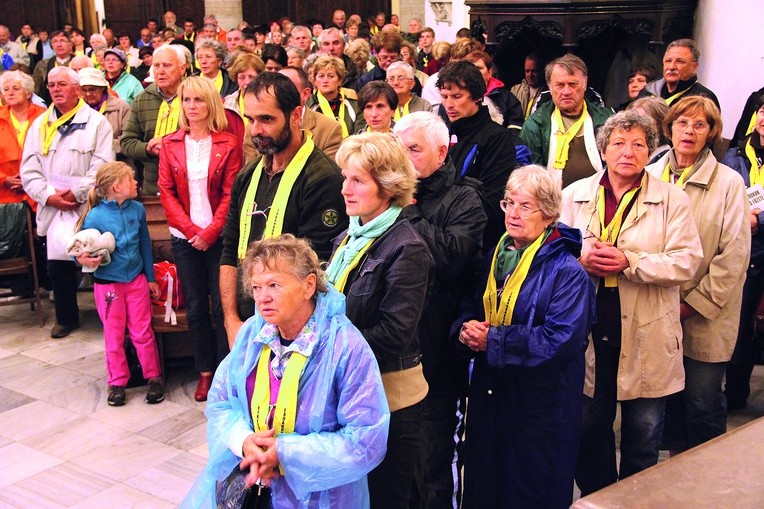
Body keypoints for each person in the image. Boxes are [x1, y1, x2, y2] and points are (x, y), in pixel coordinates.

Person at [183, 235, 389, 508]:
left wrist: (284, 453)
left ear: (309, 285)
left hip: (320, 499)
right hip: (255, 491)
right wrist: (244, 441)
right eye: (256, 287)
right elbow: (221, 402)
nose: (262, 298)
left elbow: (366, 440)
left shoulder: (345, 346)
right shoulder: (252, 335)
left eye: (274, 285)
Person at [559, 111, 703, 495]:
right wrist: (580, 259)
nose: (628, 152)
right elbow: (550, 253)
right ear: (604, 150)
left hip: (647, 333)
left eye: (639, 144)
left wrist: (631, 262)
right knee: (588, 430)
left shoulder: (673, 199)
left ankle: (637, 502)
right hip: (589, 333)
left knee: (643, 435)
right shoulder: (574, 195)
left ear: (650, 152)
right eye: (619, 144)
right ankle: (602, 499)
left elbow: (688, 260)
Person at [456, 165, 595, 508]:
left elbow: (559, 340)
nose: (513, 214)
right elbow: (473, 303)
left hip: (541, 406)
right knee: (487, 485)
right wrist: (465, 328)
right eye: (508, 203)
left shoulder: (568, 272)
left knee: (530, 490)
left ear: (549, 215)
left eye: (525, 206)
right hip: (493, 394)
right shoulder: (497, 255)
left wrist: (494, 341)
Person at [326, 132, 432, 509]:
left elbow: (394, 335)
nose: (345, 189)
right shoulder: (347, 239)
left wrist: (324, 346)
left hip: (392, 398)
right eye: (345, 177)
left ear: (387, 187)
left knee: (390, 498)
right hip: (354, 389)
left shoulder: (407, 246)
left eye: (357, 180)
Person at [646, 96, 750, 451]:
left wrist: (692, 305)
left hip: (707, 313)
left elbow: (734, 256)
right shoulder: (650, 174)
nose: (689, 131)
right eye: (682, 123)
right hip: (657, 308)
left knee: (702, 403)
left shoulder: (729, 183)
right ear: (669, 128)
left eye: (699, 125)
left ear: (712, 133)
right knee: (662, 403)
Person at [393, 112, 486, 508]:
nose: (402, 158)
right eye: (398, 148)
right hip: (393, 344)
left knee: (431, 461)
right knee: (394, 461)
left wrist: (409, 210)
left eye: (413, 149)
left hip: (436, 347)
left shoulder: (466, 198)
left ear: (442, 150)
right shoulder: (387, 195)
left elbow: (449, 260)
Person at [219, 72, 347, 344]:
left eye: (266, 119)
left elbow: (317, 271)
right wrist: (231, 320)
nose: (256, 130)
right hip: (246, 322)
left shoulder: (322, 178)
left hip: (294, 328)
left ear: (295, 115)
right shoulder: (248, 175)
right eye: (250, 119)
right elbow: (231, 250)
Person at [157, 76, 241, 402]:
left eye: (198, 100)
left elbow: (230, 193)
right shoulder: (170, 144)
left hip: (218, 237)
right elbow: (165, 192)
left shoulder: (228, 143)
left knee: (223, 308)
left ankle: (224, 372)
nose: (192, 107)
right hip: (184, 238)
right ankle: (204, 372)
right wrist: (193, 233)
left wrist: (210, 232)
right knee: (195, 308)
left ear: (211, 104)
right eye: (187, 100)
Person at [21, 66, 114, 338]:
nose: (56, 90)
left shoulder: (98, 123)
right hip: (54, 205)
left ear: (77, 89)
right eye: (51, 85)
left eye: (62, 84)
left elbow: (103, 164)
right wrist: (48, 196)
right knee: (58, 266)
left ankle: (108, 315)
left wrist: (78, 193)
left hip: (88, 204)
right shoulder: (39, 125)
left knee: (97, 260)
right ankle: (66, 318)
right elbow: (29, 169)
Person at [74, 162, 164, 406]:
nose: (136, 183)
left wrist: (150, 278)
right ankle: (117, 383)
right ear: (117, 186)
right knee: (114, 335)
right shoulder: (95, 216)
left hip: (135, 281)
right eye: (131, 179)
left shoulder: (137, 210)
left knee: (142, 332)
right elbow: (80, 247)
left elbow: (144, 243)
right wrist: (81, 257)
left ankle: (153, 377)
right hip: (108, 287)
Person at [438, 60, 517, 249]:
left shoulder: (497, 138)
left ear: (476, 96)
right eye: (444, 96)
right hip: (443, 232)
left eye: (457, 96)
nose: (449, 104)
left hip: (477, 242)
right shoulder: (443, 132)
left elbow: (493, 201)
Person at [723, 93, 764, 410]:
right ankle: (735, 393)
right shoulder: (735, 154)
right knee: (739, 324)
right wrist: (740, 216)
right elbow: (723, 195)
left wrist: (758, 220)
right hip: (745, 252)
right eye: (763, 111)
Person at [520, 54, 613, 189]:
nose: (566, 91)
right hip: (552, 204)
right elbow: (529, 175)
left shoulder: (607, 121)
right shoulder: (535, 125)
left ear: (585, 84)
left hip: (600, 201)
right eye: (560, 85)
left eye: (572, 84)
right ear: (550, 87)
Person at [121, 44, 189, 195]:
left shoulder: (195, 96)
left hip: (190, 184)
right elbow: (126, 143)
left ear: (182, 68)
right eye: (156, 66)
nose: (161, 71)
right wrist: (147, 148)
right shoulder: (142, 99)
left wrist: (170, 146)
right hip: (153, 186)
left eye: (167, 65)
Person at [0, 70, 45, 207]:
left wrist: (30, 180)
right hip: (5, 195)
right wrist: (4, 179)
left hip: (38, 192)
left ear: (29, 92)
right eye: (6, 89)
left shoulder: (44, 116)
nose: (10, 92)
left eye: (16, 88)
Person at [279, 66, 343, 161]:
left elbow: (326, 173)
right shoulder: (258, 124)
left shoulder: (329, 129)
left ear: (305, 94)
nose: (278, 94)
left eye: (287, 89)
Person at [642, 39, 720, 109]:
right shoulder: (648, 92)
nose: (671, 67)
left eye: (679, 61)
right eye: (668, 61)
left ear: (694, 67)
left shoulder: (704, 98)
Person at [78, 67, 131, 157]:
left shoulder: (122, 107)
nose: (88, 94)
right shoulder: (76, 109)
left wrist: (98, 146)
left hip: (116, 164)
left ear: (102, 88)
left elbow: (128, 140)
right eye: (84, 90)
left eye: (92, 89)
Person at [465, 50, 523, 130]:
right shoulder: (453, 97)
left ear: (490, 72)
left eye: (479, 68)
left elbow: (515, 129)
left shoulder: (507, 99)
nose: (474, 72)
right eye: (471, 68)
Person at [306, 55, 361, 138]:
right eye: (321, 76)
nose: (325, 81)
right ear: (315, 81)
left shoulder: (354, 106)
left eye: (331, 76)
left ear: (340, 80)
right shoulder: (308, 106)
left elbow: (360, 134)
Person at [33, 30, 73, 104]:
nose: (59, 45)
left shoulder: (79, 62)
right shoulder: (43, 65)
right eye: (55, 41)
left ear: (70, 44)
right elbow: (37, 90)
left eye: (62, 41)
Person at [627, 96, 671, 164]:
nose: (633, 126)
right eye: (631, 120)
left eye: (643, 121)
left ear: (660, 124)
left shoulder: (667, 160)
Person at [511, 53, 546, 120]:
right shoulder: (515, 90)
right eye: (527, 71)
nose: (530, 75)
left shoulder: (547, 93)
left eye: (534, 71)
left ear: (542, 71)